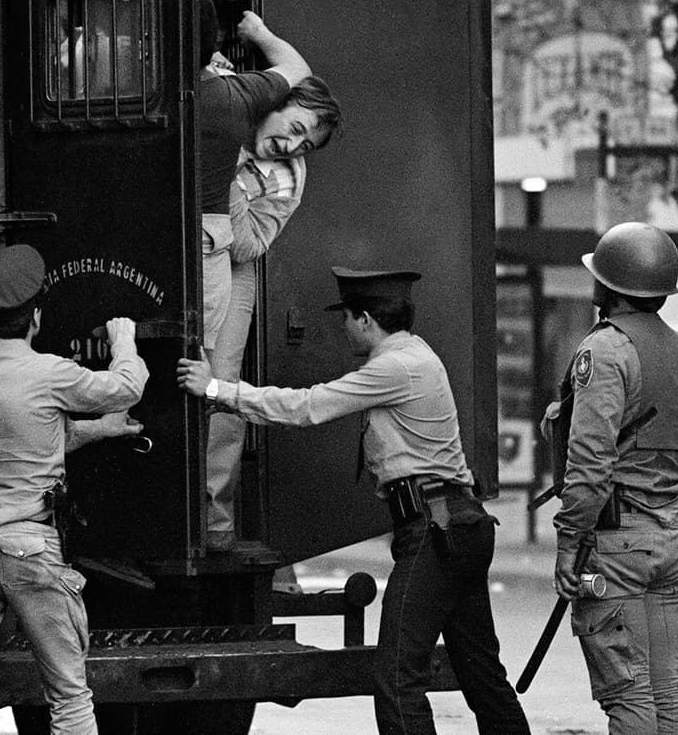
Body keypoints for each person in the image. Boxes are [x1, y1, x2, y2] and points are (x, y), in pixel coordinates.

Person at [177, 266, 530, 735]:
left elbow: (309, 407)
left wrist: (217, 389)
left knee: (397, 679)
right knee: (482, 675)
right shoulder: (415, 354)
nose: (343, 329)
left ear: (365, 319)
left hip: (432, 532)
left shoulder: (394, 367)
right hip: (456, 525)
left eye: (346, 318)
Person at [0, 244, 148, 735]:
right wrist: (124, 340)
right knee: (69, 697)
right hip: (28, 547)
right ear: (36, 318)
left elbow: (23, 438)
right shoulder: (46, 373)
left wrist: (100, 431)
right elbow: (127, 387)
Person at [547, 222, 678, 734]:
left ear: (610, 288)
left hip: (615, 545)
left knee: (628, 697)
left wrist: (569, 540)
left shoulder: (605, 352)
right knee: (662, 695)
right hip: (667, 541)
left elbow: (591, 461)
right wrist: (673, 514)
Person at [205, 75, 341, 551]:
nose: (294, 145)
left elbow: (248, 244)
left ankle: (213, 522)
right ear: (274, 101)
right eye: (297, 127)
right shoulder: (226, 93)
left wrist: (229, 179)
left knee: (219, 384)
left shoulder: (287, 176)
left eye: (306, 144)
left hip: (231, 263)